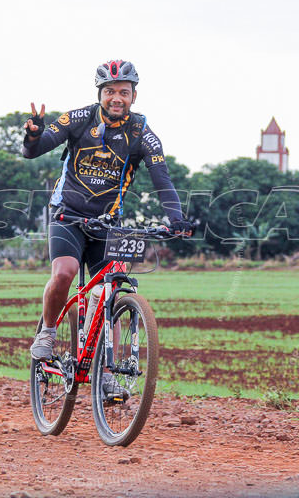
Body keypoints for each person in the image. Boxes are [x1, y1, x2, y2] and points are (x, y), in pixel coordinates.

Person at [22, 60, 192, 400]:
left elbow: (163, 178)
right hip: (67, 214)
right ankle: (48, 332)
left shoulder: (142, 133)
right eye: (111, 91)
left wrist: (175, 217)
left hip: (108, 221)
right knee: (66, 271)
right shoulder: (80, 119)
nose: (117, 98)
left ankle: (105, 371)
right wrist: (34, 134)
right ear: (100, 93)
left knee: (110, 290)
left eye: (124, 92)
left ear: (133, 96)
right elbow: (34, 151)